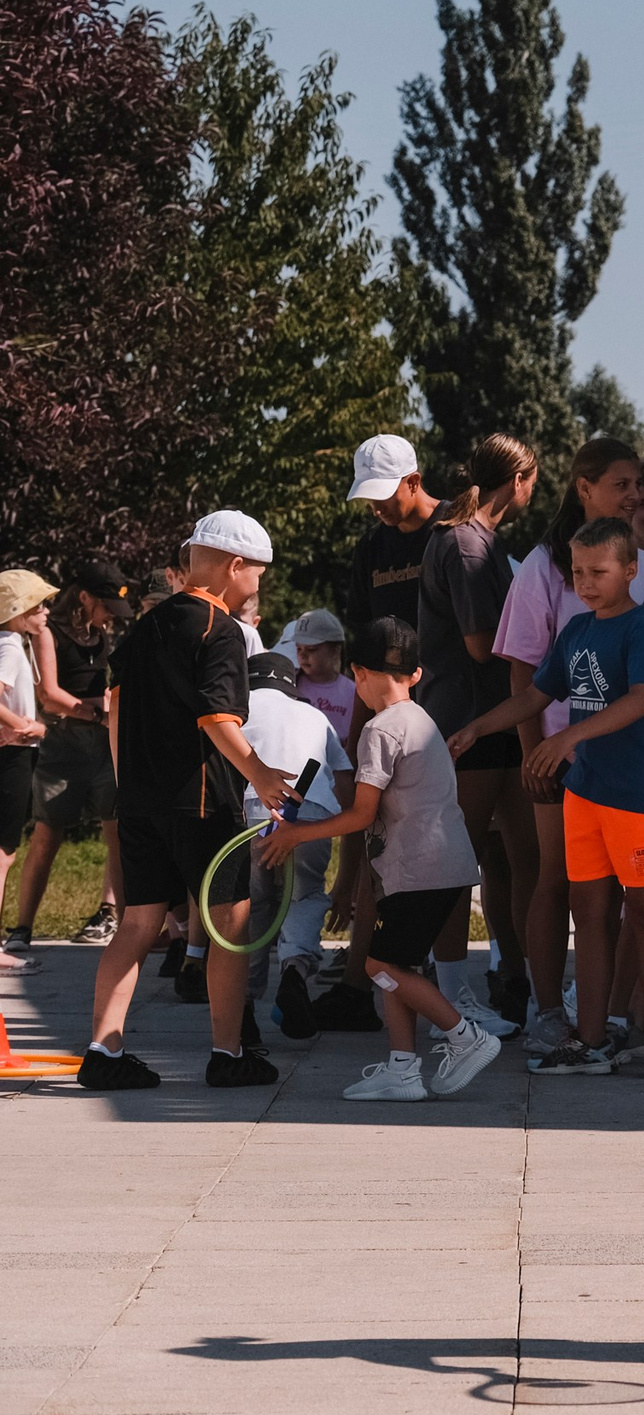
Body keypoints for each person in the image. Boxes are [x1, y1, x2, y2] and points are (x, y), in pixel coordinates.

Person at [455, 516, 644, 1081]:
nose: (585, 582)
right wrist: (478, 729)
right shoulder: (576, 631)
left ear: (630, 570)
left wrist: (569, 736)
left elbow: (639, 700)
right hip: (586, 795)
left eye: (598, 571)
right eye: (578, 572)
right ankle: (590, 1041)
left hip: (641, 797)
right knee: (590, 914)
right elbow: (536, 693)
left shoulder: (643, 629)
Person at [80, 511, 294, 1091]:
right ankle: (228, 1053)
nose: (259, 585)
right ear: (235, 566)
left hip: (141, 801)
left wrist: (130, 787)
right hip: (201, 802)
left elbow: (116, 704)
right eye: (259, 574)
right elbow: (218, 716)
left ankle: (103, 1050)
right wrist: (261, 773)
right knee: (228, 923)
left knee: (139, 921)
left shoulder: (144, 627)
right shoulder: (221, 630)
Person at [261, 619, 504, 1101]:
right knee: (397, 966)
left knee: (379, 967)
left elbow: (362, 813)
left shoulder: (378, 730)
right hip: (437, 867)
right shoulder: (422, 718)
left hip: (421, 871)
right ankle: (402, 1068)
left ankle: (465, 1036)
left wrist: (298, 833)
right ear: (415, 674)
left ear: (358, 673)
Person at [491, 438, 644, 1055]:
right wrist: (524, 747)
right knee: (565, 888)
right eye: (622, 485)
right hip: (565, 767)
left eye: (637, 486)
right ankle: (558, 1015)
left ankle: (634, 1023)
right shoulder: (545, 569)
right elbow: (528, 674)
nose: (634, 497)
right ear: (584, 487)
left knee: (638, 905)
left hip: (635, 775)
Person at [420, 435, 544, 1029]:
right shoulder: (468, 545)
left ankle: (531, 984)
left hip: (494, 718)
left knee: (528, 857)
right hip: (467, 723)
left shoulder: (479, 538)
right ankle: (452, 998)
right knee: (455, 864)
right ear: (518, 480)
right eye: (533, 480)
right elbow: (479, 644)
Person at [10, 559, 132, 950]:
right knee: (48, 833)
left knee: (115, 828)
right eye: (106, 605)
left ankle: (110, 914)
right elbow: (52, 694)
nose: (111, 615)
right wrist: (98, 714)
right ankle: (22, 927)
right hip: (64, 744)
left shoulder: (101, 633)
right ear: (83, 598)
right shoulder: (51, 632)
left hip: (102, 742)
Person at [236, 652, 353, 1035]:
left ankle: (244, 1006)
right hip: (312, 813)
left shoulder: (238, 711)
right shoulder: (315, 715)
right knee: (303, 896)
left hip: (253, 813)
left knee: (251, 906)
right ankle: (295, 973)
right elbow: (344, 776)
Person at [0, 571, 57, 974]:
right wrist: (23, 725)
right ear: (20, 611)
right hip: (12, 756)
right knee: (2, 855)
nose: (47, 611)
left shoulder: (12, 644)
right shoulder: (10, 647)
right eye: (40, 605)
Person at [345, 434, 445, 631]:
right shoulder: (370, 546)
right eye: (370, 498)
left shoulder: (456, 530)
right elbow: (359, 622)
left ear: (413, 483)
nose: (376, 510)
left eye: (384, 495)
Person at [287, 611, 357, 743]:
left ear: (335, 650)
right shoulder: (291, 685)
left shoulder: (353, 692)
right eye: (299, 649)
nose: (303, 655)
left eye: (311, 649)